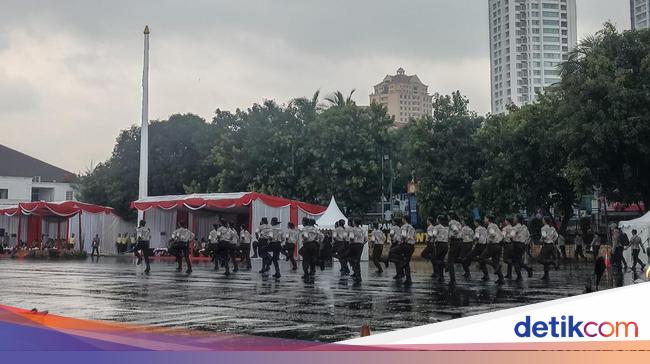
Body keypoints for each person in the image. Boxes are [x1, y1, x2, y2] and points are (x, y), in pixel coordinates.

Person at [481, 216, 505, 284]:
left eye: (485, 218)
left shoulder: (490, 226)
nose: (484, 220)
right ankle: (501, 278)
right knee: (495, 261)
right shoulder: (495, 225)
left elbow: (492, 234)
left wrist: (490, 240)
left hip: (492, 245)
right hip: (498, 245)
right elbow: (502, 235)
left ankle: (496, 267)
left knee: (482, 258)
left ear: (488, 219)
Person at [299, 218, 322, 282]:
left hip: (307, 245)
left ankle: (306, 274)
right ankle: (312, 272)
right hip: (314, 245)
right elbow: (321, 236)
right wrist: (317, 240)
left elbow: (305, 237)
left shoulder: (305, 229)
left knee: (305, 260)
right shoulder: (315, 229)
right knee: (312, 259)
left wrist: (305, 239)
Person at [511, 215, 533, 279]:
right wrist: (525, 243)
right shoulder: (525, 227)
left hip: (516, 244)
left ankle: (519, 276)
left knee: (515, 262)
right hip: (522, 245)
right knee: (519, 261)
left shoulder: (515, 227)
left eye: (515, 218)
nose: (513, 219)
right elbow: (528, 236)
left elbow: (511, 235)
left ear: (517, 220)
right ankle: (528, 269)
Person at [396, 216, 416, 285]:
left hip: (405, 245)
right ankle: (408, 279)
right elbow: (415, 237)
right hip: (412, 246)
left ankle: (401, 269)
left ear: (404, 220)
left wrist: (400, 240)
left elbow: (403, 236)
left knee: (393, 252)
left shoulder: (404, 227)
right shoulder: (412, 227)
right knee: (407, 262)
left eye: (402, 219)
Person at [539, 216, 559, 281]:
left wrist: (541, 240)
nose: (542, 221)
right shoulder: (552, 228)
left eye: (543, 219)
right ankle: (546, 275)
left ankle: (553, 262)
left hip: (546, 245)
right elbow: (556, 236)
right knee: (546, 260)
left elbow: (544, 236)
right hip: (552, 245)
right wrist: (552, 240)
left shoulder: (543, 228)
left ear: (545, 221)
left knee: (540, 259)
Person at [348, 219, 367, 283]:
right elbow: (366, 239)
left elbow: (351, 238)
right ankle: (357, 275)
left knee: (352, 259)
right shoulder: (363, 230)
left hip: (353, 245)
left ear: (354, 223)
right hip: (360, 245)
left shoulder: (352, 229)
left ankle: (357, 275)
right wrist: (362, 243)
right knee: (357, 260)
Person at [432, 215, 449, 283]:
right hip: (445, 244)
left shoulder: (437, 227)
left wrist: (433, 239)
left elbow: (434, 234)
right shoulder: (446, 227)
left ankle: (446, 265)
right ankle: (441, 277)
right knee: (440, 260)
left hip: (439, 244)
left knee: (434, 260)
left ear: (438, 220)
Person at [447, 213, 462, 285]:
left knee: (450, 262)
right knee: (452, 260)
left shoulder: (451, 222)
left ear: (450, 216)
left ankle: (452, 280)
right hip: (459, 242)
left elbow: (455, 230)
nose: (448, 217)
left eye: (448, 216)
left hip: (454, 242)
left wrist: (451, 235)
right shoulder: (458, 222)